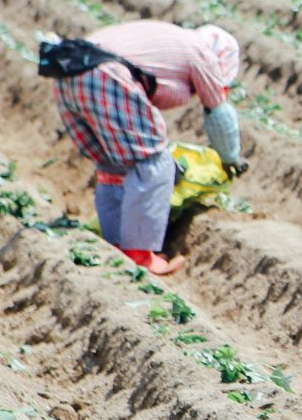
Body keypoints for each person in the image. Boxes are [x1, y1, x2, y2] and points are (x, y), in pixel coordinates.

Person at [44, 21, 245, 276]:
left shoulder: (174, 39)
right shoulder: (202, 54)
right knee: (155, 163)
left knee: (113, 165)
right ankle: (140, 256)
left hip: (66, 77)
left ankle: (115, 243)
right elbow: (219, 112)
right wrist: (230, 158)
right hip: (107, 74)